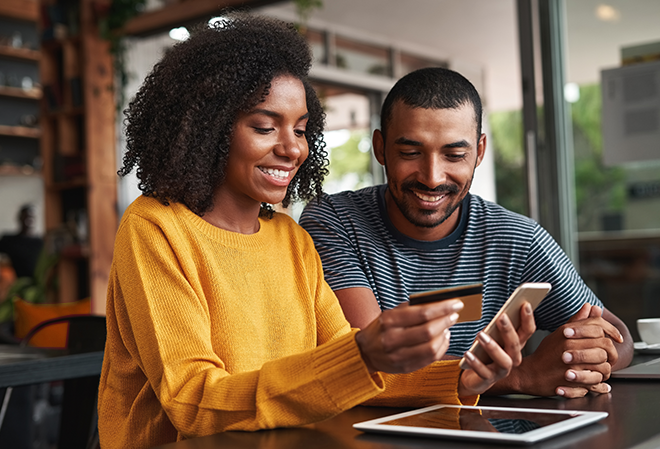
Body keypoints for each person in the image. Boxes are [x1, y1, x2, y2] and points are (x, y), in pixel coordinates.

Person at [97, 16, 536, 449]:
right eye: (266, 127)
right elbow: (193, 403)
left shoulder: (290, 238)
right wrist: (362, 356)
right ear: (209, 129)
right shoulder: (156, 227)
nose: (292, 148)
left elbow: (349, 371)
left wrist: (460, 376)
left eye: (302, 130)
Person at [299, 67, 633, 399]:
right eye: (410, 152)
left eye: (455, 155)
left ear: (480, 152)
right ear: (381, 148)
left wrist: (582, 357)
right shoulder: (335, 222)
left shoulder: (516, 239)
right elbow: (368, 365)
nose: (432, 177)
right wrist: (522, 376)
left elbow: (618, 337)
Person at [0, 204, 44, 279]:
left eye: (31, 217)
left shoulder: (41, 242)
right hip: (16, 283)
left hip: (37, 283)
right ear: (20, 218)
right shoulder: (8, 240)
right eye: (25, 216)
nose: (28, 220)